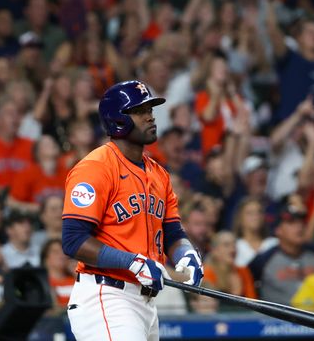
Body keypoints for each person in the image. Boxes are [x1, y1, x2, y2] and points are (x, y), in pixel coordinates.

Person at [61, 80, 203, 341]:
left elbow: (172, 231)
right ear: (118, 119)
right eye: (140, 111)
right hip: (107, 296)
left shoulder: (159, 173)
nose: (150, 116)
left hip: (146, 303)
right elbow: (73, 240)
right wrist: (131, 262)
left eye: (150, 109)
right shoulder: (95, 168)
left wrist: (186, 254)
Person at [249, 206, 314, 305]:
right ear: (278, 230)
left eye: (301, 222)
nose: (299, 227)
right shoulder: (263, 260)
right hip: (277, 319)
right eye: (291, 223)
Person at [202, 231, 257, 301]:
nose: (233, 250)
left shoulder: (243, 271)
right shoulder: (206, 272)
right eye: (226, 245)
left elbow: (252, 301)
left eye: (234, 245)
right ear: (214, 251)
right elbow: (208, 302)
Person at [41, 238, 76, 311]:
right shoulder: (43, 284)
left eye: (64, 252)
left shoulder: (76, 279)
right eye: (56, 252)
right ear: (46, 259)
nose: (62, 255)